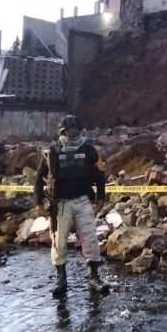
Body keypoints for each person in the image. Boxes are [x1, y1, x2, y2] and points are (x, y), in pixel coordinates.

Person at [34, 114, 109, 296]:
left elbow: (99, 174)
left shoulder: (89, 149)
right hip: (61, 204)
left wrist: (100, 197)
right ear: (63, 131)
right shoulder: (53, 151)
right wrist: (38, 202)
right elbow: (39, 177)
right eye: (69, 129)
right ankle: (61, 278)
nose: (73, 132)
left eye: (75, 129)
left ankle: (93, 276)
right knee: (59, 240)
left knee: (90, 238)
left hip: (83, 200)